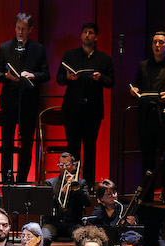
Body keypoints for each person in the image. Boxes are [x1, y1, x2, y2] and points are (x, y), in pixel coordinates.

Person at [57, 22, 115, 188]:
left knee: (90, 148)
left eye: (90, 33)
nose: (87, 35)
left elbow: (111, 82)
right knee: (72, 148)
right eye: (85, 32)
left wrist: (100, 78)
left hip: (93, 110)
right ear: (81, 35)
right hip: (72, 109)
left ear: (96, 37)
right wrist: (68, 77)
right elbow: (59, 78)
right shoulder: (70, 55)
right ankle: (72, 184)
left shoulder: (104, 59)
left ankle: (88, 185)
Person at [0, 13, 49, 183]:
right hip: (9, 102)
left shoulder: (38, 49)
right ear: (15, 27)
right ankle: (7, 180)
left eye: (24, 28)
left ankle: (22, 180)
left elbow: (46, 74)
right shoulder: (4, 47)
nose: (21, 32)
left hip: (29, 102)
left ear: (30, 29)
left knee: (26, 144)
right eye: (18, 28)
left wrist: (33, 75)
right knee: (7, 144)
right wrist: (7, 76)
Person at [130, 31, 165, 204]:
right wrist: (135, 90)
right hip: (146, 117)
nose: (157, 45)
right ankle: (147, 195)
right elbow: (138, 85)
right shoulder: (143, 66)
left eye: (161, 42)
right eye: (154, 42)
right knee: (147, 157)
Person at [42, 153, 91, 243]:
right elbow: (45, 204)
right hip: (53, 223)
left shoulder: (81, 183)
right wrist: (61, 193)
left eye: (67, 165)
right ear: (58, 166)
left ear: (74, 166)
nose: (64, 167)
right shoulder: (50, 183)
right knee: (44, 238)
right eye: (61, 165)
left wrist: (76, 189)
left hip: (73, 223)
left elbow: (87, 202)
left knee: (83, 238)